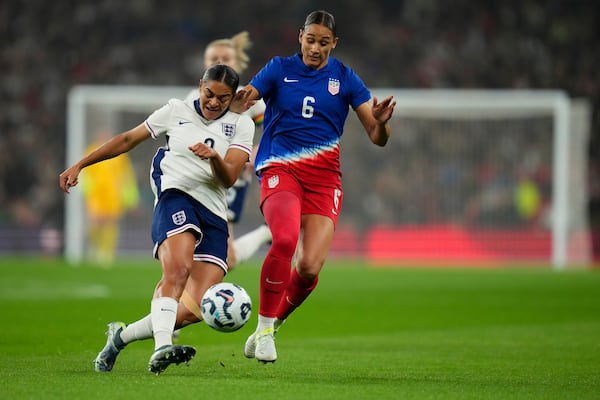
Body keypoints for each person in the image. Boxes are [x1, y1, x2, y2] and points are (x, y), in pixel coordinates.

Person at [59, 64, 254, 374]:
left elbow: (229, 177)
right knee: (177, 269)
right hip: (176, 196)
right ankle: (163, 347)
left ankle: (119, 337)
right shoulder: (175, 110)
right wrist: (80, 165)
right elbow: (126, 140)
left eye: (223, 97)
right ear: (199, 86)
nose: (214, 102)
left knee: (195, 309)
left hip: (214, 213)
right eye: (209, 94)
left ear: (232, 97)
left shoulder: (241, 125)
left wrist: (214, 156)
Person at [238, 10, 396, 363]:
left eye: (323, 43)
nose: (315, 48)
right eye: (310, 40)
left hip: (324, 179)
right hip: (281, 168)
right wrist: (239, 99)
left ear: (333, 44)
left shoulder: (345, 77)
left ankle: (271, 325)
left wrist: (382, 124)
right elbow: (249, 94)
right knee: (284, 239)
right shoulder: (279, 68)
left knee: (309, 266)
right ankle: (264, 331)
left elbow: (377, 137)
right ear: (300, 37)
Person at [186, 31, 271, 270]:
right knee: (215, 257)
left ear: (237, 64)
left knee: (223, 257)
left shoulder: (248, 97)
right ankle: (265, 234)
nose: (219, 62)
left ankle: (183, 303)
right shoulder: (194, 98)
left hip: (229, 177)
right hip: (197, 176)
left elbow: (271, 129)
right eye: (213, 58)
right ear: (204, 64)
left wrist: (256, 150)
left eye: (226, 57)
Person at [81, 130, 139, 266]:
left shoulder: (119, 155)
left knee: (111, 223)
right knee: (95, 222)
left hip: (113, 195)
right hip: (96, 195)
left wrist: (131, 198)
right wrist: (87, 190)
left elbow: (126, 176)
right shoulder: (91, 151)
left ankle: (106, 254)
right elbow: (85, 173)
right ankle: (94, 248)